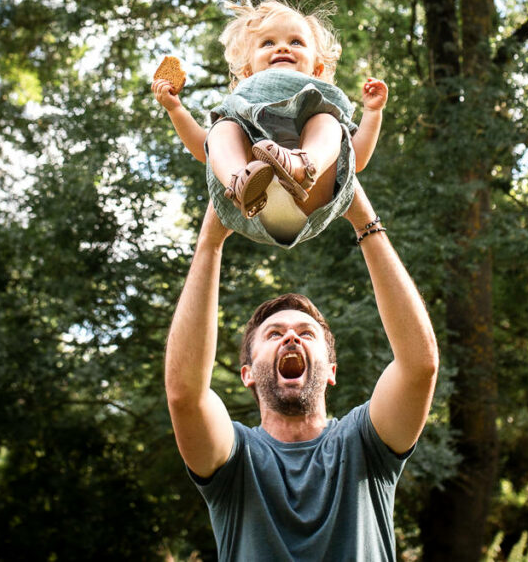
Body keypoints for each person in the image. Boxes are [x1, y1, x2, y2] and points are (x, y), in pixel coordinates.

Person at [165, 180, 438, 561]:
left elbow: (420, 366)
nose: (290, 337)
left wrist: (362, 216)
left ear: (330, 371)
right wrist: (211, 242)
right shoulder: (235, 459)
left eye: (306, 333)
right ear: (247, 374)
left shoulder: (364, 444)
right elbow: (184, 394)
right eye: (274, 333)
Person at [151, 0, 388, 248]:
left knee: (327, 121)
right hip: (252, 207)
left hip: (309, 199)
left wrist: (373, 113)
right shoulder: (237, 105)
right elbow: (205, 149)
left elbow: (356, 159)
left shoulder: (323, 104)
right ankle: (240, 181)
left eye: (296, 41)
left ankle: (303, 165)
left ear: (317, 70)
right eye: (268, 43)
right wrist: (175, 109)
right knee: (222, 129)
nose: (283, 48)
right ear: (248, 72)